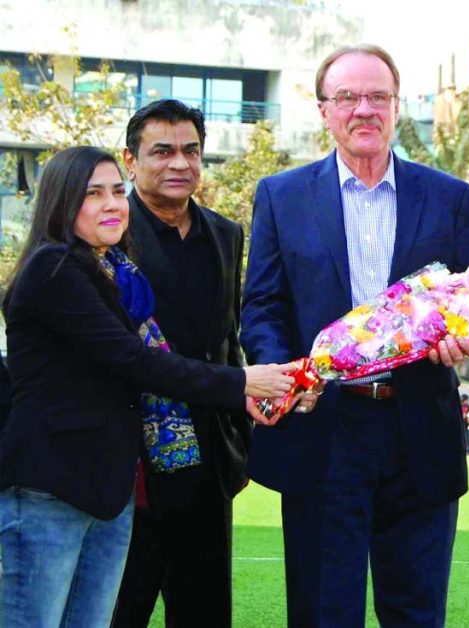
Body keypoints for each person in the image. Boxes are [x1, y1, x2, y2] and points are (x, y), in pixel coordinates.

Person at [0, 146, 293, 627]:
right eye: (92, 194)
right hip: (49, 489)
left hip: (109, 489)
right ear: (61, 201)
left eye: (117, 190)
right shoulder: (53, 270)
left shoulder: (114, 270)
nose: (112, 204)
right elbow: (136, 361)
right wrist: (243, 382)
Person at [240, 44, 469, 626]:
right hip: (323, 430)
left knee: (417, 611)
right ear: (324, 111)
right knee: (324, 610)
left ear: (398, 107)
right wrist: (287, 372)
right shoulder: (282, 195)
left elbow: (466, 307)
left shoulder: (450, 198)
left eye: (378, 96)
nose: (363, 109)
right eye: (347, 97)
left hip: (419, 428)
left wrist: (464, 339)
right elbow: (263, 304)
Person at [112, 99, 250, 627]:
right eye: (162, 151)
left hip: (210, 460)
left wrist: (237, 435)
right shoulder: (108, 232)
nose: (179, 164)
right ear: (131, 159)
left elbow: (228, 338)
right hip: (133, 464)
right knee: (121, 609)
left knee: (204, 611)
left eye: (191, 151)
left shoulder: (225, 233)